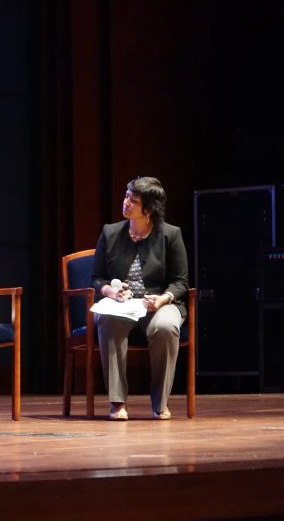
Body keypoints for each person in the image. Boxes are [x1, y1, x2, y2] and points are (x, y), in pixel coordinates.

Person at [91, 176, 189, 421]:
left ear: (148, 209)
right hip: (121, 305)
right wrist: (111, 292)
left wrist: (163, 299)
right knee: (108, 320)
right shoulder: (110, 233)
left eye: (133, 200)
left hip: (159, 304)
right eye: (126, 196)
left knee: (166, 326)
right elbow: (96, 278)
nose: (125, 203)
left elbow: (180, 282)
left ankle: (160, 403)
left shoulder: (170, 235)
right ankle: (117, 403)